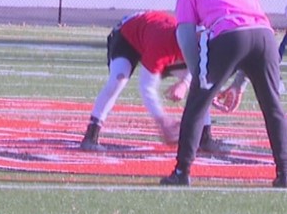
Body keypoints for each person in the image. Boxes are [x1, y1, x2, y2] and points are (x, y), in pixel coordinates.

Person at [161, 0, 287, 187]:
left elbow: (186, 38)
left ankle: (182, 171)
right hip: (265, 37)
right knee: (273, 109)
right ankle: (285, 172)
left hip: (229, 35)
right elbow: (252, 30)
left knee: (197, 105)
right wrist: (238, 84)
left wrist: (199, 78)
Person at [80, 10, 230, 154]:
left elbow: (200, 73)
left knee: (201, 85)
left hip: (157, 38)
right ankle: (91, 134)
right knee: (118, 79)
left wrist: (185, 82)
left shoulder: (200, 43)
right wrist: (162, 120)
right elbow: (147, 87)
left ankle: (205, 137)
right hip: (127, 37)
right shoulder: (162, 43)